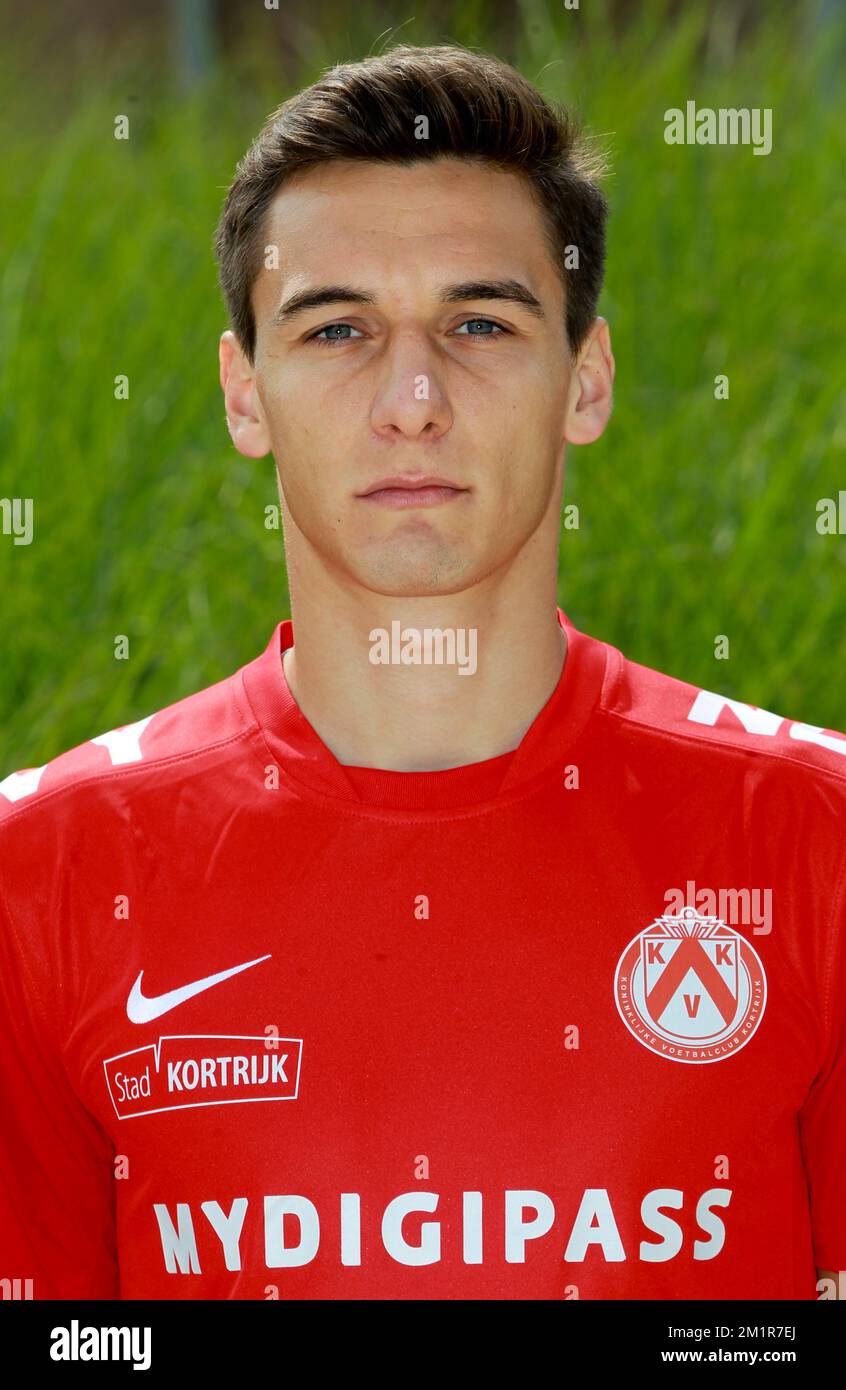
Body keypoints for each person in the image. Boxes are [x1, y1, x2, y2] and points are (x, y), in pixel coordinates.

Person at [0, 43, 843, 1301]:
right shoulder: (46, 869)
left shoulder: (812, 837)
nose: (412, 398)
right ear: (245, 396)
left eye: (480, 322)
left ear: (588, 379)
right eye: (336, 327)